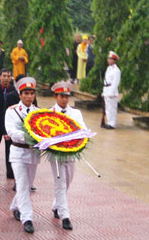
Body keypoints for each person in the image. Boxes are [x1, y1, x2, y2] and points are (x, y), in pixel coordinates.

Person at [49, 81, 88, 230]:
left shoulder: (76, 113)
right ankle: (65, 216)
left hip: (71, 153)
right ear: (55, 96)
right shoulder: (49, 113)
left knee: (68, 182)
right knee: (60, 183)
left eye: (66, 96)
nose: (64, 99)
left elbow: (82, 129)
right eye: (61, 96)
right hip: (56, 155)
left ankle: (55, 205)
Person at [5, 77, 40, 234]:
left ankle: (15, 206)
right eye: (26, 93)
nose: (29, 96)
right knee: (23, 184)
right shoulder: (11, 111)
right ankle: (27, 218)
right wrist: (31, 136)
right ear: (20, 94)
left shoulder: (38, 113)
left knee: (27, 184)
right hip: (18, 152)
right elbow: (12, 132)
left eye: (31, 93)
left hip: (33, 153)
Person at [102, 51, 121, 130]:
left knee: (112, 108)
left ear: (114, 60)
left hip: (112, 92)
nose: (109, 60)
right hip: (107, 89)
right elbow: (106, 81)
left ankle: (112, 124)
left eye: (110, 59)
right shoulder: (109, 68)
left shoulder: (116, 70)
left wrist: (111, 93)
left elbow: (115, 83)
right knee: (107, 108)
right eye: (108, 59)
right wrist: (104, 91)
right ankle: (109, 122)